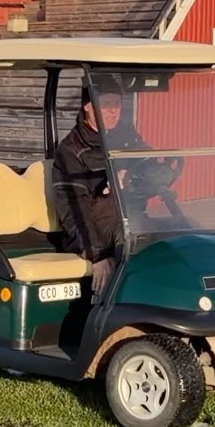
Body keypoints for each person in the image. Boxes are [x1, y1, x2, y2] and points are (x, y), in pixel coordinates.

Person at [51, 85, 144, 294]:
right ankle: (124, 305)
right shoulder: (71, 150)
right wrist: (97, 255)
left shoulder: (126, 137)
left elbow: (151, 165)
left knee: (176, 233)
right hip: (93, 228)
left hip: (127, 215)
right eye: (106, 104)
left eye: (117, 103)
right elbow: (73, 208)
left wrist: (128, 175)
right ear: (87, 106)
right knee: (130, 236)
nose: (113, 111)